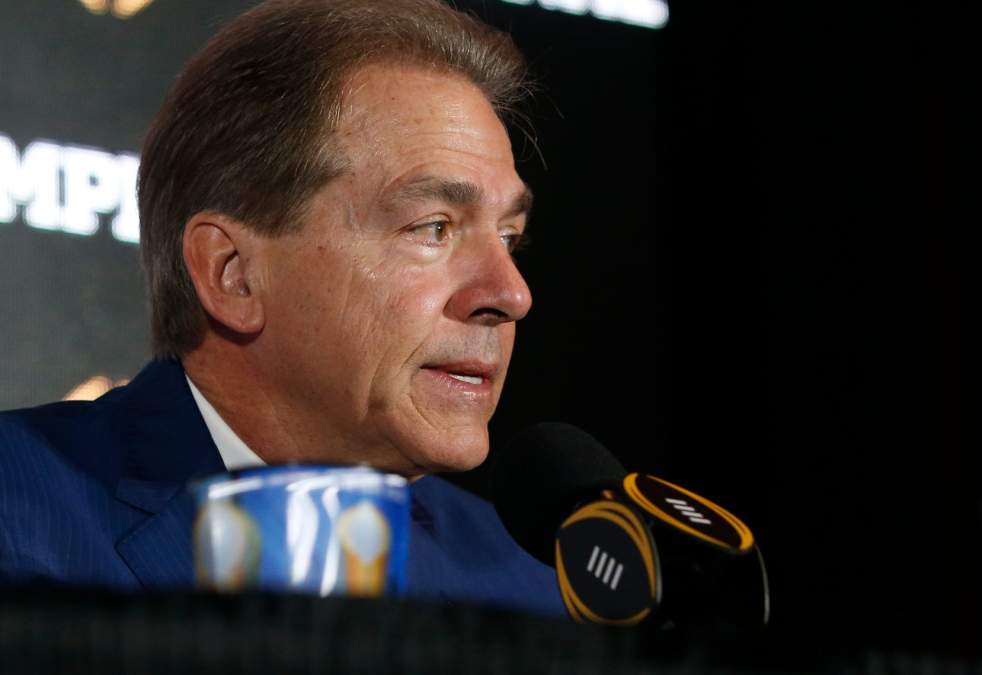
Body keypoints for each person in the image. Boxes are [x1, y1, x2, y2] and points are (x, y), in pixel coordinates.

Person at [0, 0, 562, 616]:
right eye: (434, 228)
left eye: (508, 237)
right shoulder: (20, 517)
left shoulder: (525, 585)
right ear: (234, 275)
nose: (511, 294)